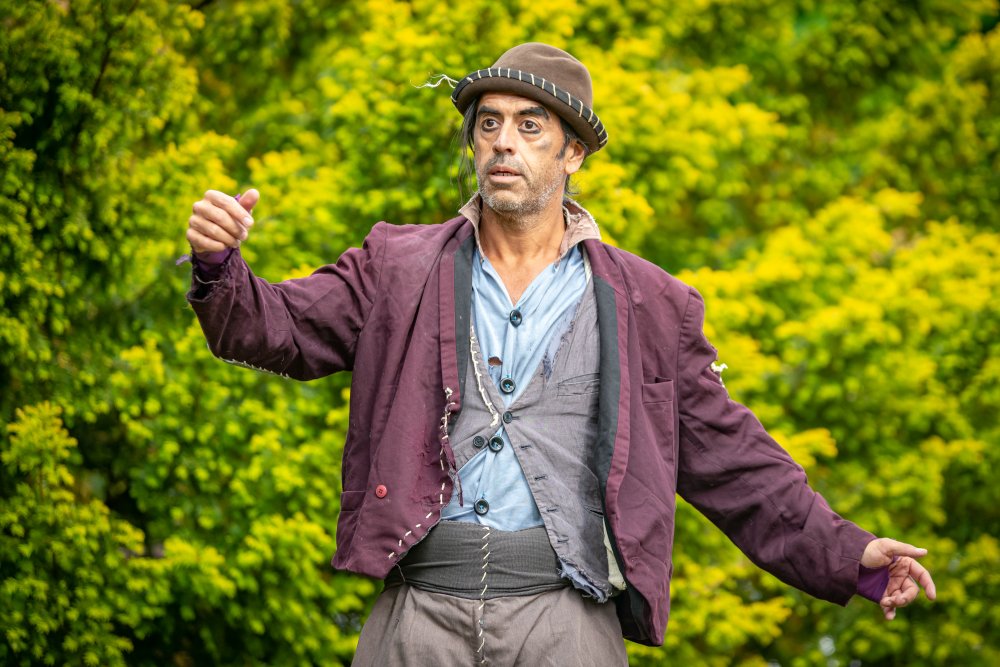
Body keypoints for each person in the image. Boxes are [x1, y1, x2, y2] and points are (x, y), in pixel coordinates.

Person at [184, 43, 936, 665]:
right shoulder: (397, 266)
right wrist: (220, 265)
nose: (503, 142)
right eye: (488, 124)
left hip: (567, 623)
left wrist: (849, 555)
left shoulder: (651, 304)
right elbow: (275, 328)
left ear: (574, 151)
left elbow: (733, 460)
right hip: (416, 617)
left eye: (529, 127)